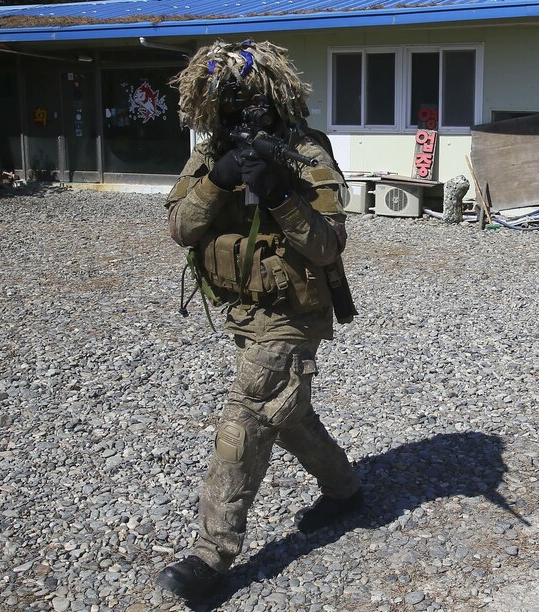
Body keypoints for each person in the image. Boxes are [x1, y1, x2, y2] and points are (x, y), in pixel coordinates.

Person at [157, 40, 363, 602]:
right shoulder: (210, 153)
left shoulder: (305, 152)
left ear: (275, 102)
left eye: (253, 106)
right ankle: (345, 489)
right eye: (230, 109)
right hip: (246, 308)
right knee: (287, 413)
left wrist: (279, 195)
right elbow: (179, 227)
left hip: (297, 310)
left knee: (247, 415)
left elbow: (327, 246)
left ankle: (211, 556)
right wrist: (217, 180)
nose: (242, 119)